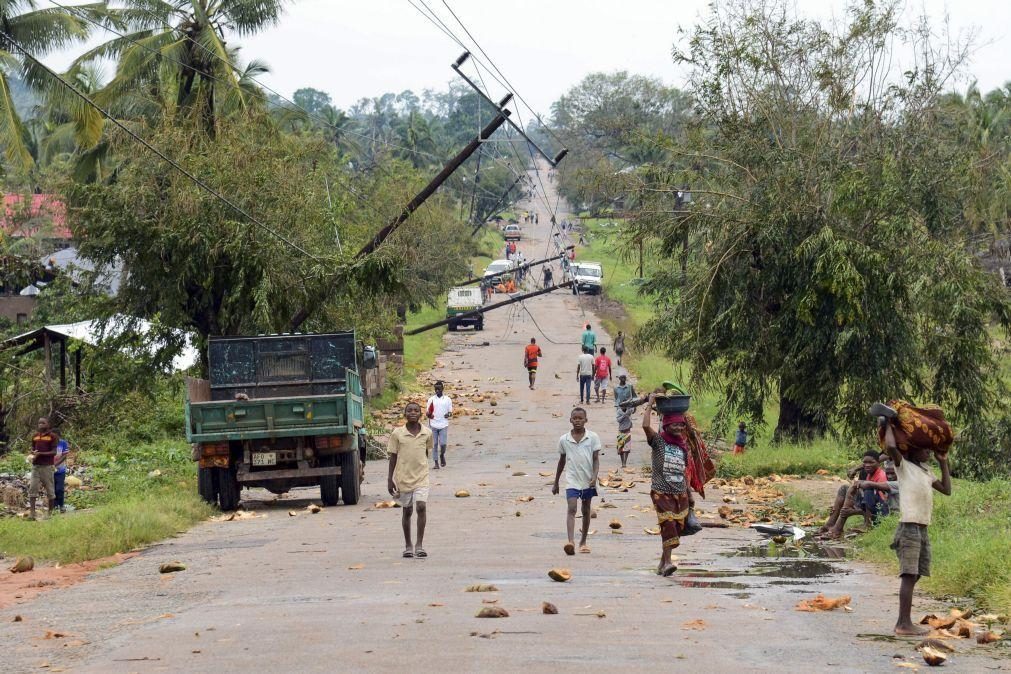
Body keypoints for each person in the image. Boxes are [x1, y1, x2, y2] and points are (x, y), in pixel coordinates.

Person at [873, 401, 952, 636]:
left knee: (916, 573)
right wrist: (887, 423)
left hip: (922, 527)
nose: (928, 451)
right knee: (908, 575)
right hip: (908, 526)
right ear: (912, 450)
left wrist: (943, 463)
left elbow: (947, 490)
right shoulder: (903, 465)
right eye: (925, 449)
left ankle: (903, 620)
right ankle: (903, 624)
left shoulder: (926, 471)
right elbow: (890, 447)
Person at [642, 395, 693, 576]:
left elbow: (684, 470)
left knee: (677, 528)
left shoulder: (682, 446)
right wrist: (650, 404)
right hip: (661, 491)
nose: (678, 428)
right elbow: (645, 426)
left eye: (681, 425)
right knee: (668, 524)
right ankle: (668, 562)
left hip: (680, 492)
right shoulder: (659, 441)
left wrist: (689, 492)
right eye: (674, 425)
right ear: (666, 426)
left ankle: (662, 564)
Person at [551, 407, 600, 556]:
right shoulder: (564, 439)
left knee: (586, 510)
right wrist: (556, 482)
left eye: (580, 418)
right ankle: (570, 541)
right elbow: (562, 461)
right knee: (572, 508)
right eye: (575, 418)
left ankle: (583, 542)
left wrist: (594, 476)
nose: (577, 421)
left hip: (587, 480)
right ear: (570, 420)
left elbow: (596, 459)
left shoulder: (592, 437)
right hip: (572, 479)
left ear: (586, 420)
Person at [387, 402, 434, 559]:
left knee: (421, 506)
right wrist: (390, 479)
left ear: (420, 414)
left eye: (416, 410)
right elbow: (393, 456)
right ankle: (408, 545)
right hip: (404, 478)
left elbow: (425, 453)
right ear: (404, 414)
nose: (413, 413)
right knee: (407, 511)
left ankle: (419, 545)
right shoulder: (397, 434)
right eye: (409, 410)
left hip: (422, 477)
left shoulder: (427, 433)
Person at [818, 450, 888, 539]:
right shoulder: (868, 473)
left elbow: (882, 505)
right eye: (865, 462)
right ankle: (830, 524)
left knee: (867, 489)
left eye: (871, 462)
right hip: (870, 504)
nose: (867, 465)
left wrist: (854, 511)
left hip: (880, 512)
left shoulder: (881, 476)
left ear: (878, 463)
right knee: (845, 488)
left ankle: (839, 529)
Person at [28, 417, 59, 520]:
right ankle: (32, 513)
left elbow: (54, 452)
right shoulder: (35, 436)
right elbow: (33, 448)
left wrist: (40, 454)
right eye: (39, 423)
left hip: (47, 467)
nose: (40, 424)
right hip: (35, 466)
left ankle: (50, 513)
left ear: (48, 424)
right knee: (33, 488)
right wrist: (33, 453)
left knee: (50, 489)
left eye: (43, 423)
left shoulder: (52, 436)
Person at [425, 381, 453, 469]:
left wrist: (448, 415)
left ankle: (442, 455)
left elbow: (450, 412)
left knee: (443, 444)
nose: (437, 391)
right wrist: (429, 415)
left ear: (442, 389)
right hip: (433, 424)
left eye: (439, 389)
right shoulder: (431, 399)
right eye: (435, 389)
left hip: (443, 424)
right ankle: (436, 463)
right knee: (434, 444)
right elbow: (428, 412)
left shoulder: (447, 399)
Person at [613, 375, 637, 467]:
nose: (623, 379)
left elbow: (634, 397)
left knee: (626, 444)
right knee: (621, 444)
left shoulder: (630, 387)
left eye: (624, 377)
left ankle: (624, 463)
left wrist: (633, 407)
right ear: (619, 378)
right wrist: (621, 410)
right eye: (621, 377)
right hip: (620, 410)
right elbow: (616, 399)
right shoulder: (616, 388)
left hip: (628, 408)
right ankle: (623, 461)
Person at [54, 437, 70, 513]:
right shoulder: (48, 442)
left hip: (61, 470)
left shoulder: (62, 443)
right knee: (52, 489)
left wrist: (55, 464)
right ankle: (54, 506)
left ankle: (61, 505)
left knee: (59, 489)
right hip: (49, 471)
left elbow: (64, 456)